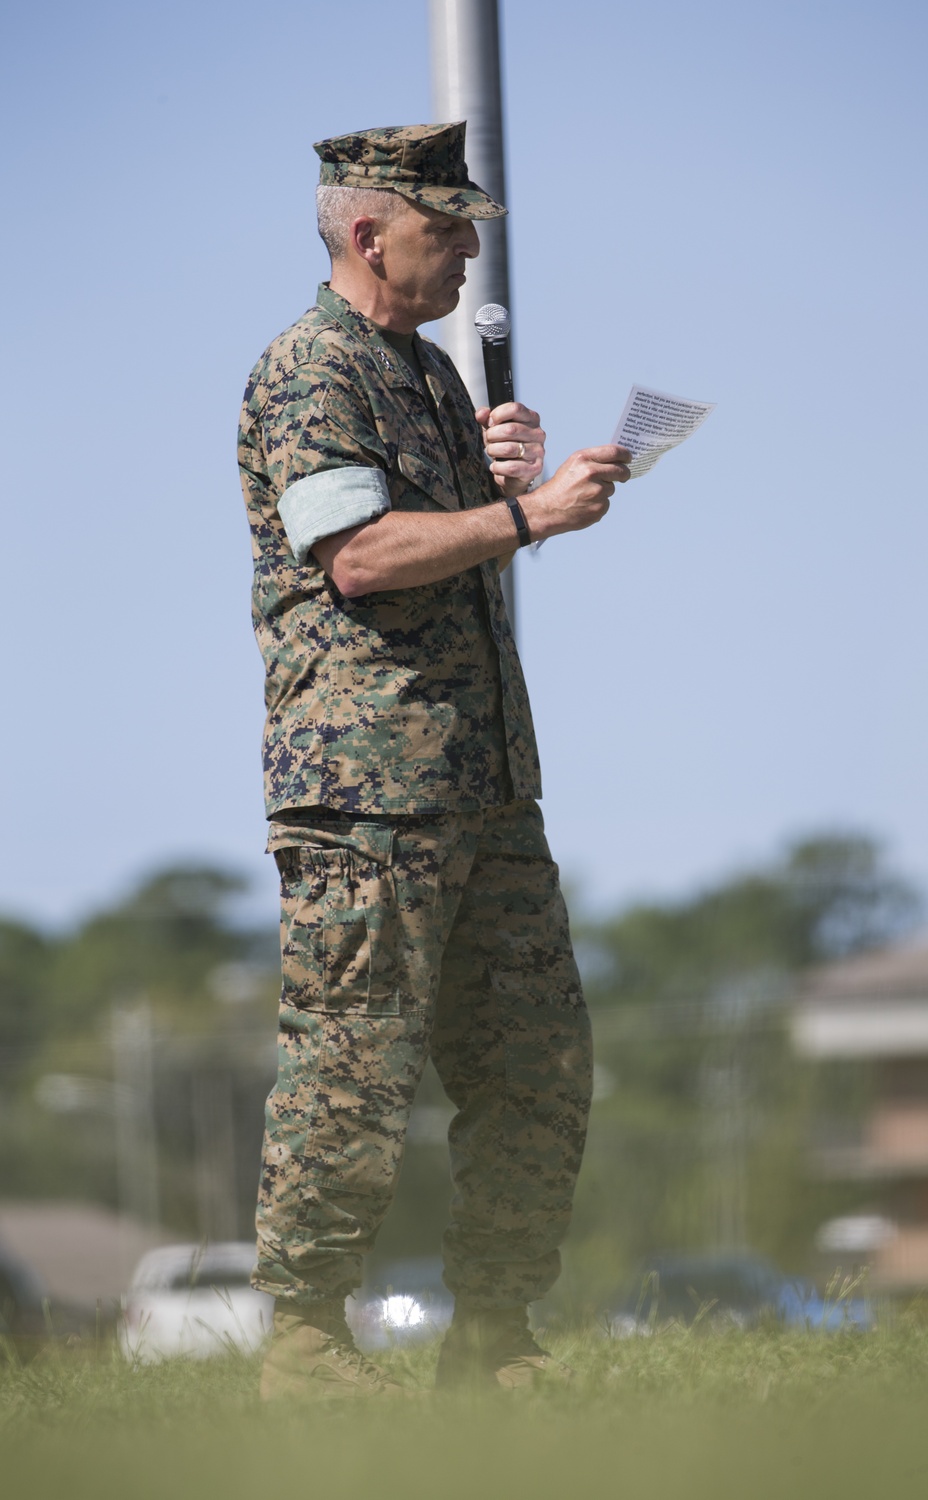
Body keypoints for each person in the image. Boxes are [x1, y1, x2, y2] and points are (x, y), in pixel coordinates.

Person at [237, 122, 630, 1399]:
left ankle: (494, 1337)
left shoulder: (424, 375)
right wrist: (524, 513)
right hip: (365, 793)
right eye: (443, 227)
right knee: (352, 1065)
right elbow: (355, 559)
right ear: (367, 234)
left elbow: (438, 540)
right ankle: (302, 1343)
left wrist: (499, 484)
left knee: (536, 1062)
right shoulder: (309, 371)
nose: (466, 248)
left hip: (484, 780)